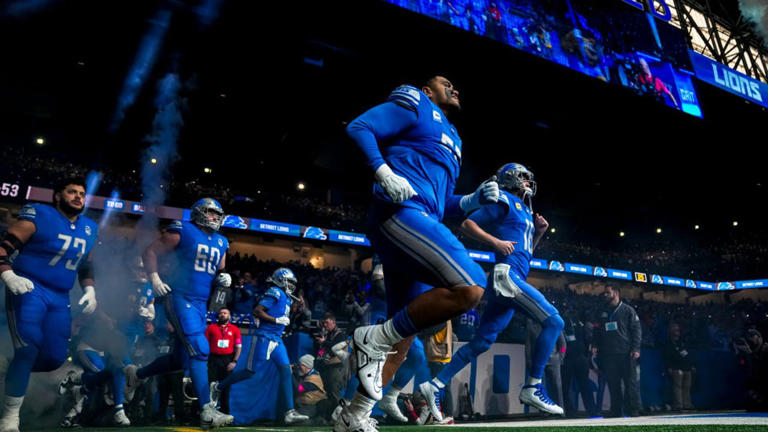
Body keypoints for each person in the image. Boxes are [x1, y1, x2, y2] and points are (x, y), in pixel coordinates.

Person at [340, 75, 499, 431]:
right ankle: (371, 337)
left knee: (402, 338)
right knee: (472, 285)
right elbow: (361, 126)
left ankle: (354, 414)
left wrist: (472, 200)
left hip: (421, 217)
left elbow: (442, 203)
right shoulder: (416, 101)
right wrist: (382, 170)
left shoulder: (454, 138)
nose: (455, 87)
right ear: (428, 90)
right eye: (446, 82)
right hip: (400, 213)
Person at [422, 163, 565, 416]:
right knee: (554, 321)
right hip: (506, 276)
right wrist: (495, 242)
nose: (527, 182)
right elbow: (468, 225)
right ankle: (533, 386)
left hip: (513, 276)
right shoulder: (505, 200)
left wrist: (539, 233)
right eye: (522, 177)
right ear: (509, 178)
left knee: (482, 342)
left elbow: (525, 252)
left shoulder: (525, 212)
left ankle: (435, 385)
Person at [123, 198, 234, 428]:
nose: (216, 217)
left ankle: (137, 374)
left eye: (217, 214)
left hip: (201, 302)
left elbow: (219, 268)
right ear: (200, 213)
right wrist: (154, 278)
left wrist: (223, 277)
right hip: (179, 296)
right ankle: (206, 409)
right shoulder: (184, 230)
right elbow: (151, 251)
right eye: (212, 213)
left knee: (181, 359)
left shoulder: (222, 241)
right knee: (200, 348)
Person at [0, 177, 100, 432]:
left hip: (60, 296)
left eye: (81, 193)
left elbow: (86, 265)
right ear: (58, 196)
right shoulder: (40, 214)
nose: (78, 196)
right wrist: (8, 274)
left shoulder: (89, 227)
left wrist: (90, 289)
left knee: (54, 358)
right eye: (71, 191)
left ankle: (7, 369)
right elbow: (5, 247)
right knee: (27, 349)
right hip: (30, 287)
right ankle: (10, 418)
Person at [209, 268, 309, 424]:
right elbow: (257, 311)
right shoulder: (274, 291)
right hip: (264, 337)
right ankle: (218, 386)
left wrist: (297, 309)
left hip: (277, 339)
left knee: (286, 371)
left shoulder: (286, 298)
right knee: (250, 372)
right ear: (280, 280)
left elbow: (283, 314)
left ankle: (289, 412)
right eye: (289, 282)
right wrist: (276, 321)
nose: (291, 285)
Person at [593, 285, 642, 417]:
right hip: (608, 354)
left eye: (607, 293)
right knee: (613, 385)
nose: (605, 295)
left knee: (630, 383)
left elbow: (636, 330)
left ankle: (633, 410)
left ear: (616, 293)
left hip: (626, 353)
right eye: (604, 293)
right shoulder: (602, 311)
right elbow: (597, 331)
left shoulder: (628, 310)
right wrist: (595, 345)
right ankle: (616, 411)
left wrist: (635, 348)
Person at [205, 308, 242, 414]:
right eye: (220, 313)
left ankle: (225, 413)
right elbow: (205, 344)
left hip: (227, 360)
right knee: (211, 386)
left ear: (229, 316)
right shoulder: (211, 328)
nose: (222, 315)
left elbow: (238, 347)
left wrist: (234, 361)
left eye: (225, 313)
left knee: (226, 387)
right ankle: (210, 413)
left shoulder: (235, 329)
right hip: (213, 359)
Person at [314, 312, 348, 421]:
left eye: (327, 323)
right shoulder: (327, 335)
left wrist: (324, 342)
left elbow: (334, 348)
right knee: (329, 393)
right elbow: (321, 351)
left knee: (334, 392)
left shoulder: (341, 334)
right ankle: (331, 417)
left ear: (333, 322)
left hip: (337, 366)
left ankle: (344, 417)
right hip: (327, 367)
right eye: (323, 323)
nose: (325, 325)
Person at [663, 322, 694, 411]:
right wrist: (669, 367)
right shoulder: (668, 343)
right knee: (677, 387)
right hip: (676, 368)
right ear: (671, 331)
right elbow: (667, 356)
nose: (678, 331)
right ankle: (679, 405)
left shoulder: (682, 342)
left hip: (686, 367)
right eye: (675, 329)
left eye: (678, 329)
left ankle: (687, 404)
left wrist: (691, 365)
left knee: (687, 386)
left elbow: (687, 355)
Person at [293, 354, 327, 419]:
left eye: (300, 365)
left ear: (307, 366)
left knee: (297, 421)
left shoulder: (314, 378)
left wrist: (290, 374)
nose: (298, 367)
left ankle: (318, 421)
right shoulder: (306, 375)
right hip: (304, 405)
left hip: (312, 406)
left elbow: (299, 388)